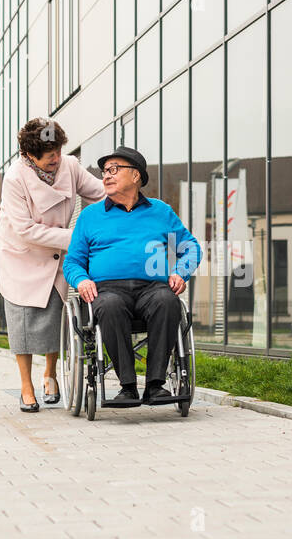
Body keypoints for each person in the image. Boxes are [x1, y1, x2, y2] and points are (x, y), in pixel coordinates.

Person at [62, 146, 202, 404]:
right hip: (108, 289)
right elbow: (72, 262)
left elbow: (190, 247)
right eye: (104, 171)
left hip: (153, 288)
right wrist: (81, 280)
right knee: (110, 305)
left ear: (136, 176)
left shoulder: (160, 211)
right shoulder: (90, 216)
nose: (106, 176)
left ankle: (155, 385)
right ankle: (127, 386)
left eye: (114, 170)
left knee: (168, 301)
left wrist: (181, 273)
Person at [0, 118, 105, 412]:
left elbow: (99, 192)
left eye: (57, 150)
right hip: (21, 254)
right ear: (30, 155)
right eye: (48, 155)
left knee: (54, 318)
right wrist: (75, 237)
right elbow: (25, 230)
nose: (55, 158)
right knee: (22, 323)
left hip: (55, 253)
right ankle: (26, 386)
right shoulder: (15, 178)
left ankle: (51, 374)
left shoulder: (69, 166)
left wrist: (128, 199)